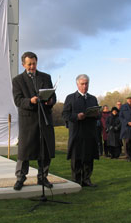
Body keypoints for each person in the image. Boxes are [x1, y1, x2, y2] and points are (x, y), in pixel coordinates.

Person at [11, 52, 56, 191]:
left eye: (34, 63)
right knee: (24, 151)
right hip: (28, 120)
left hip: (44, 118)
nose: (32, 66)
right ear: (23, 64)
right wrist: (30, 101)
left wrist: (50, 101)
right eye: (29, 64)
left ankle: (42, 177)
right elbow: (18, 100)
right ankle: (20, 178)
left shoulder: (45, 77)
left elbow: (53, 96)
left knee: (45, 149)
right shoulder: (17, 80)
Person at [62, 74, 99, 187]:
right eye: (82, 84)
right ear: (77, 84)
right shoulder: (70, 98)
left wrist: (97, 114)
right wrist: (77, 116)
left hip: (90, 132)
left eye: (86, 83)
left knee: (88, 157)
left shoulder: (93, 98)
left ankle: (87, 179)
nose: (84, 86)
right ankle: (76, 180)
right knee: (76, 157)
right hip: (77, 132)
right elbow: (65, 114)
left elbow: (98, 115)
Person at [119, 94, 131, 162]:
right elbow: (120, 117)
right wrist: (127, 122)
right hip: (126, 128)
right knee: (127, 143)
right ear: (126, 100)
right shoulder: (123, 107)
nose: (130, 100)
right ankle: (128, 157)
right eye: (128, 99)